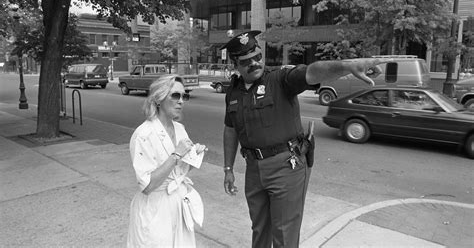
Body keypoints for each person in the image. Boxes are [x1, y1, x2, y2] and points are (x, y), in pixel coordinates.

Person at [221, 30, 391, 248]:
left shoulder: (280, 79)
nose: (255, 63)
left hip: (285, 167)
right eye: (246, 61)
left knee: (284, 235)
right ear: (235, 64)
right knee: (259, 228)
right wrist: (227, 169)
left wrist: (346, 66)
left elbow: (312, 72)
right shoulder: (233, 93)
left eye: (258, 57)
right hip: (253, 168)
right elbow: (230, 130)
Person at [127, 75, 206, 248]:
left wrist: (194, 157)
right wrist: (176, 155)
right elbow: (147, 186)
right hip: (155, 208)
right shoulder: (143, 135)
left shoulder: (180, 129)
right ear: (158, 99)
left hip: (178, 205)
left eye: (184, 96)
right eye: (175, 95)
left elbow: (179, 172)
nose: (181, 101)